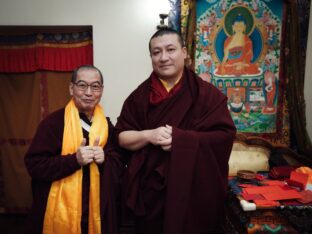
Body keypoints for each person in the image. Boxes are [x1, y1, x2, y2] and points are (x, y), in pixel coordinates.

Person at [115, 28, 236, 234]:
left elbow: (224, 137)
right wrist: (149, 135)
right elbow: (121, 138)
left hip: (193, 190)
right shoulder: (139, 97)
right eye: (156, 52)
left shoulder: (206, 95)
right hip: (151, 193)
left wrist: (182, 140)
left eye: (170, 49)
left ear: (184, 52)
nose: (163, 57)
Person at [24, 65, 124, 234]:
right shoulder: (54, 123)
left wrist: (105, 159)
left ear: (101, 90)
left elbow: (120, 162)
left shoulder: (106, 126)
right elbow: (34, 165)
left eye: (95, 86)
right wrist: (74, 160)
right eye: (82, 85)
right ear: (72, 88)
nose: (89, 92)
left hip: (97, 211)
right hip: (59, 212)